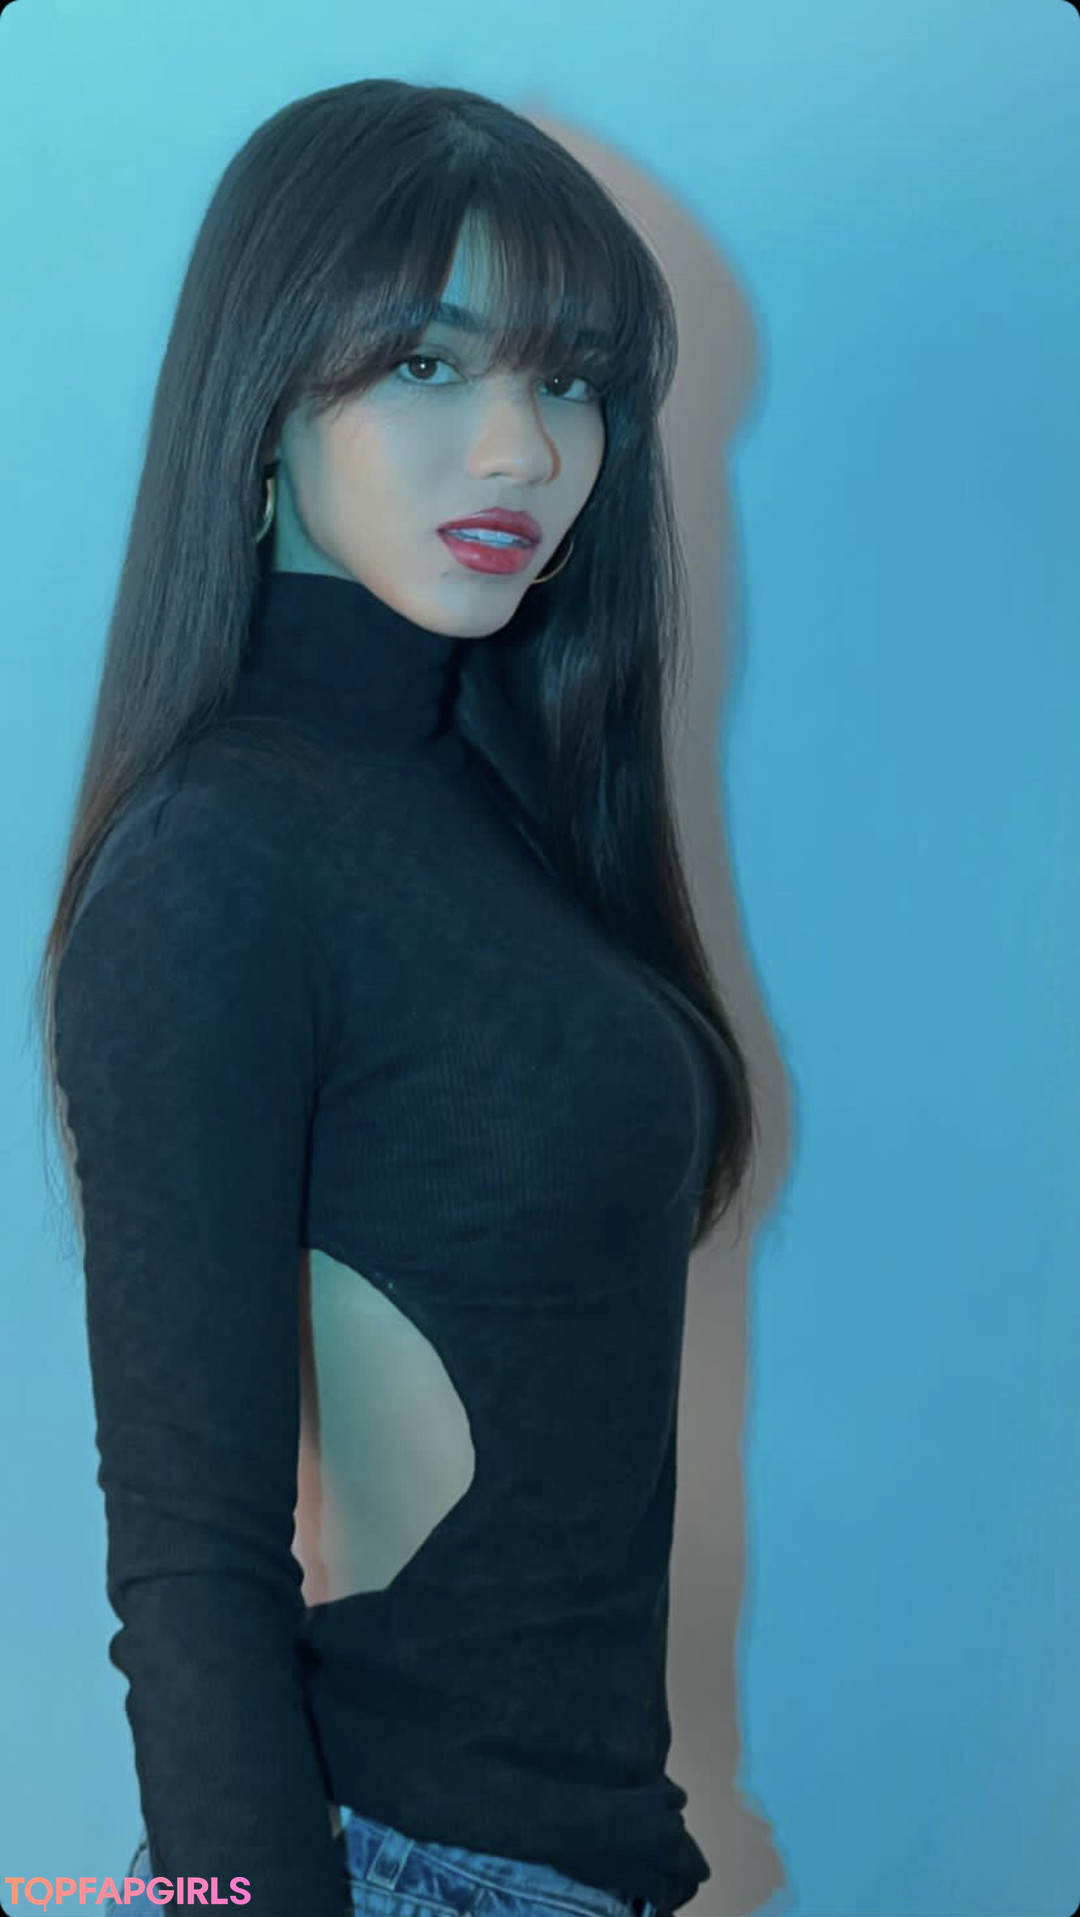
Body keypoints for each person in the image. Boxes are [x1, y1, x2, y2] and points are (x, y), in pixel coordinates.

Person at [36, 79, 757, 1917]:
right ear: (267, 395)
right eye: (428, 365)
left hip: (581, 1861)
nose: (520, 448)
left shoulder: (505, 799)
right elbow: (189, 1560)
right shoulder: (216, 864)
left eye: (568, 380)